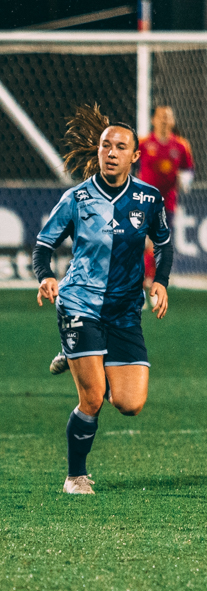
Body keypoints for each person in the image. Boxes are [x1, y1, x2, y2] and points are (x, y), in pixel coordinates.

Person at [34, 105, 172, 495]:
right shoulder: (77, 198)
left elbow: (162, 243)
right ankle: (74, 476)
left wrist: (160, 282)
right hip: (80, 302)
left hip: (126, 310)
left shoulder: (149, 199)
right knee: (93, 398)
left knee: (130, 404)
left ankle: (79, 354)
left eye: (120, 147)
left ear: (135, 155)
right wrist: (45, 277)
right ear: (97, 152)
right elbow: (43, 246)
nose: (111, 152)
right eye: (105, 146)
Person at [137, 104, 193, 285]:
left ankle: (147, 280)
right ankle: (146, 280)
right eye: (161, 116)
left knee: (156, 243)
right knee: (144, 242)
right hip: (143, 200)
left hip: (167, 202)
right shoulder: (143, 143)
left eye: (168, 116)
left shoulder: (181, 146)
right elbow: (128, 163)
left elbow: (188, 170)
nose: (164, 119)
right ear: (153, 120)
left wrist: (186, 180)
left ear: (173, 120)